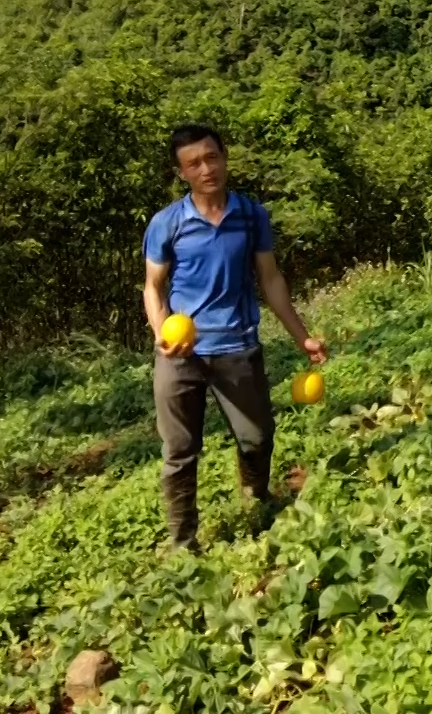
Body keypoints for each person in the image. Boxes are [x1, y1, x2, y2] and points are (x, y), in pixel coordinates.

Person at [143, 124, 328, 550]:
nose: (207, 168)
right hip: (180, 355)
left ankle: (256, 498)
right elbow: (153, 286)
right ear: (181, 173)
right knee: (179, 453)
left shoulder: (251, 215)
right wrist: (161, 336)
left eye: (212, 157)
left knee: (257, 438)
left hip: (238, 346)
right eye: (194, 163)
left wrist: (302, 338)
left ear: (225, 157)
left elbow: (271, 278)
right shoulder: (167, 223)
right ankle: (183, 543)